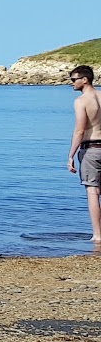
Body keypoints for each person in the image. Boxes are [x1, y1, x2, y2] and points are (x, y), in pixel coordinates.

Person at [67, 65, 101, 243]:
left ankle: (98, 235)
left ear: (84, 79)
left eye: (73, 80)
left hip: (91, 149)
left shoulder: (81, 101)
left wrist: (71, 155)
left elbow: (79, 130)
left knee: (93, 192)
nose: (71, 83)